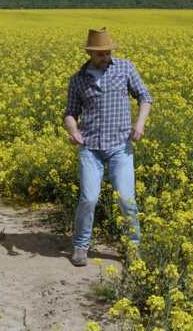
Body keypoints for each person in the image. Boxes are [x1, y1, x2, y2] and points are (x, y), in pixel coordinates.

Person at [63, 27, 153, 266]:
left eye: (108, 53)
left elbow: (145, 97)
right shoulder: (78, 79)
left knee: (126, 199)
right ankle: (80, 247)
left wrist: (140, 125)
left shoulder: (125, 68)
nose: (106, 58)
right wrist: (73, 131)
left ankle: (133, 247)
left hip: (119, 147)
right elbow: (70, 113)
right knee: (88, 199)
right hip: (90, 147)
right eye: (100, 54)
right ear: (90, 53)